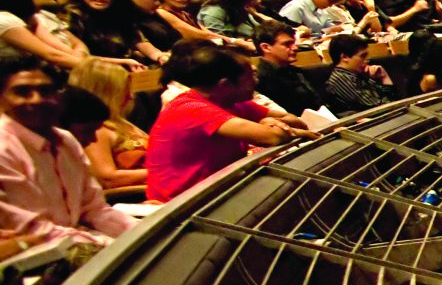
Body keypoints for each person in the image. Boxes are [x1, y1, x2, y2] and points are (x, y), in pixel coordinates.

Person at [144, 42, 308, 201]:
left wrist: (269, 121)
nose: (256, 81)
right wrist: (270, 125)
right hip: (181, 207)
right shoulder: (190, 108)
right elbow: (273, 137)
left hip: (221, 192)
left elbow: (294, 120)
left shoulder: (234, 101)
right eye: (250, 76)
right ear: (225, 85)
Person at [1, 61, 131, 246]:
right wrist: (107, 246)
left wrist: (141, 231)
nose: (36, 99)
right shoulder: (3, 150)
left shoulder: (66, 140)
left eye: (46, 91)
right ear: (2, 98)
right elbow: (35, 232)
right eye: (22, 92)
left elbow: (95, 210)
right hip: (36, 260)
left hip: (80, 243)